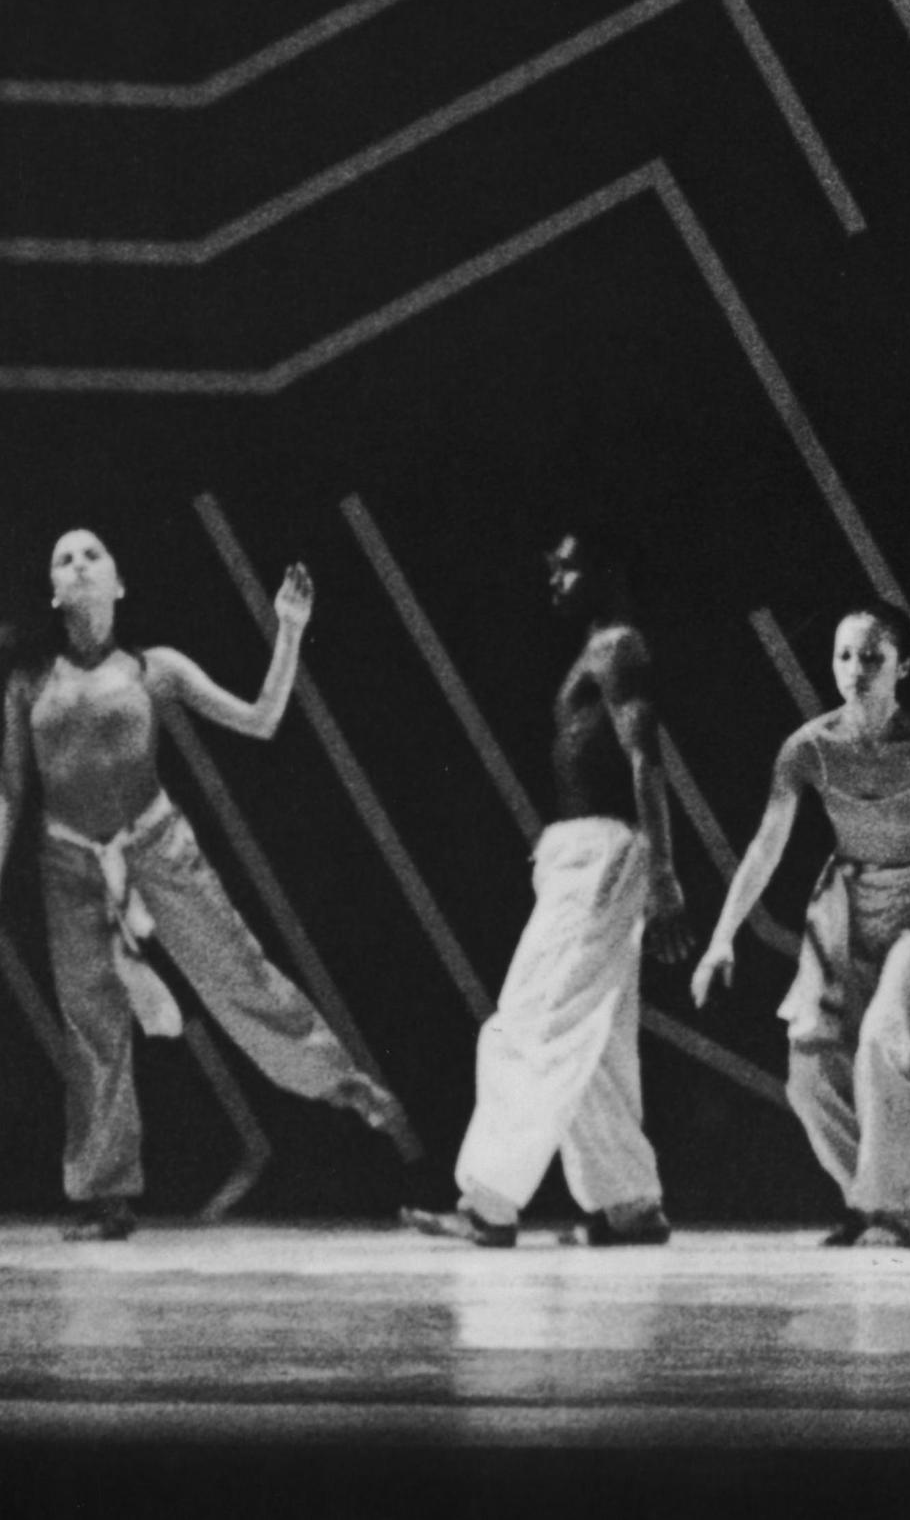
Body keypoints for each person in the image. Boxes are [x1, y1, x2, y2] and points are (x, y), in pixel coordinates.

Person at [0, 532, 414, 1240]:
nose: (77, 564)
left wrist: (288, 628)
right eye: (63, 559)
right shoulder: (28, 681)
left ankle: (342, 1082)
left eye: (93, 553)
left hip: (158, 849)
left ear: (119, 583)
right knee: (93, 1028)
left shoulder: (153, 668)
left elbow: (262, 717)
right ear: (54, 592)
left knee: (239, 976)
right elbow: (10, 791)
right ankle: (105, 1196)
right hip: (68, 865)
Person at [690, 602, 910, 1243]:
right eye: (845, 656)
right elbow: (765, 846)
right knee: (808, 1066)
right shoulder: (807, 748)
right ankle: (870, 1196)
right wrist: (721, 937)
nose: (856, 669)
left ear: (904, 666)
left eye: (873, 657)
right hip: (845, 899)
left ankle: (890, 1208)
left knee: (887, 1039)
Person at [407, 526, 693, 1247]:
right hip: (586, 852)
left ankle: (489, 1202)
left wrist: (661, 873)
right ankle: (630, 1202)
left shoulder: (618, 646)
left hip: (603, 857)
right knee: (592, 1040)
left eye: (565, 568)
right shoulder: (603, 647)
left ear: (604, 568)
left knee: (531, 1020)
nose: (554, 581)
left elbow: (645, 761)